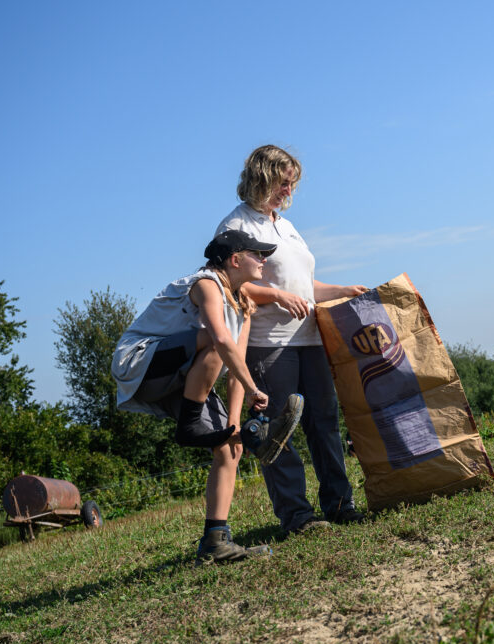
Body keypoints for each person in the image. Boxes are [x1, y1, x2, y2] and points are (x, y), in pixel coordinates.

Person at [112, 230, 305, 564]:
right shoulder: (206, 284)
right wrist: (257, 391)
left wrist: (235, 427)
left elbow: (236, 365)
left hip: (181, 375)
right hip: (139, 361)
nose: (263, 260)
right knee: (215, 339)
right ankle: (190, 426)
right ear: (234, 260)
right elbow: (218, 340)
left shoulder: (242, 307)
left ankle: (215, 541)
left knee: (230, 448)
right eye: (256, 254)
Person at [215, 145, 368, 533]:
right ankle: (296, 516)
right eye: (284, 182)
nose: (289, 191)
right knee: (277, 431)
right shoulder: (237, 227)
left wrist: (341, 289)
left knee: (324, 422)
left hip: (310, 339)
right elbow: (230, 289)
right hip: (268, 343)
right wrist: (278, 297)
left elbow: (302, 285)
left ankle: (339, 503)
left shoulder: (286, 226)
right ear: (262, 177)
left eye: (292, 183)